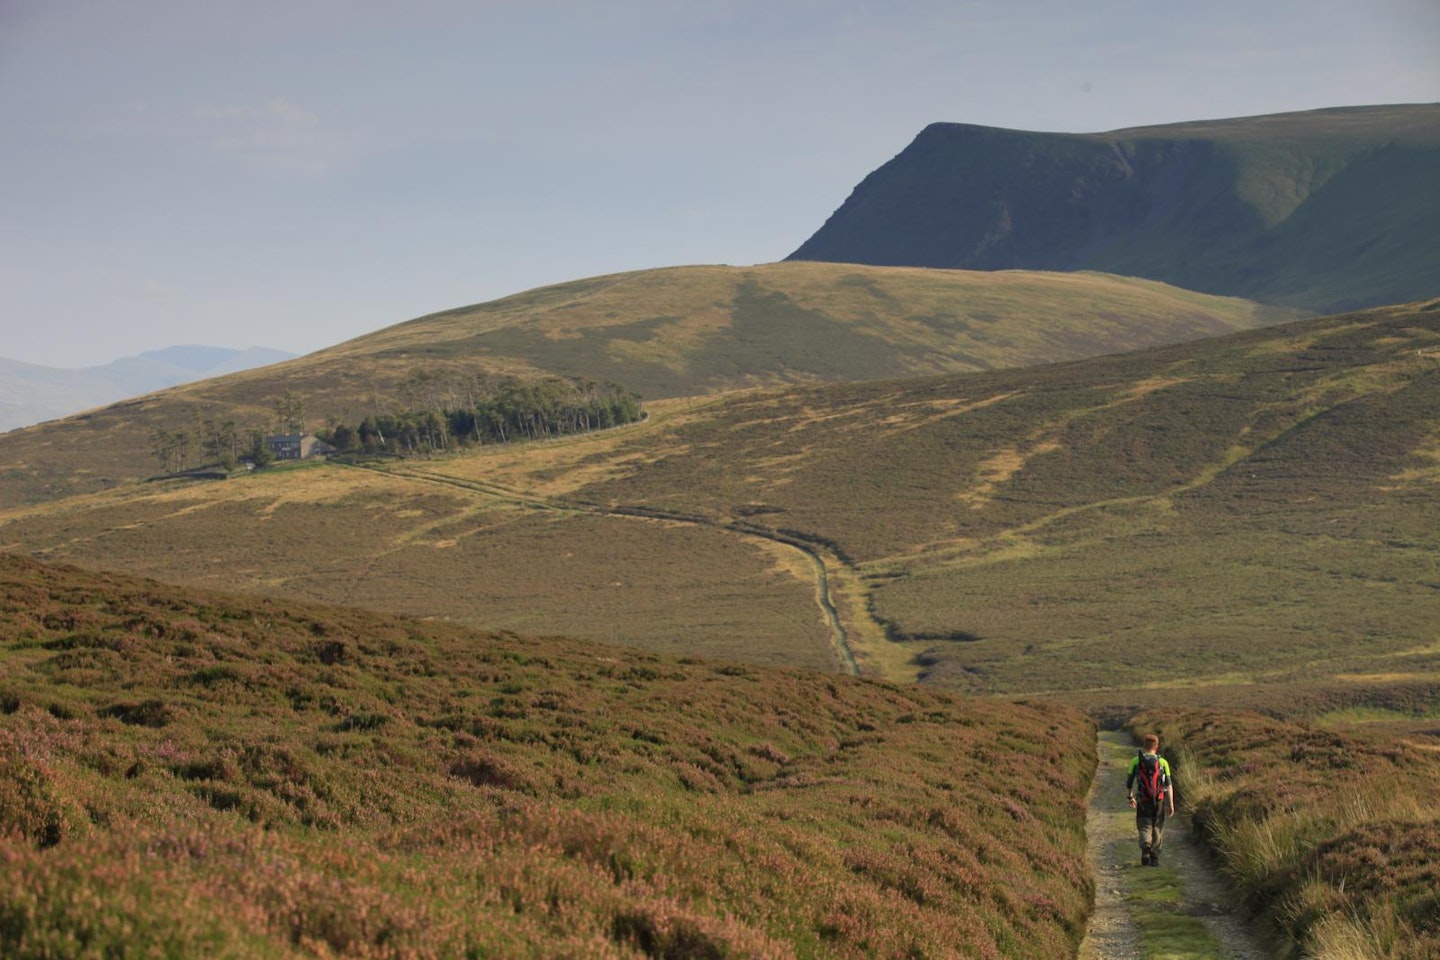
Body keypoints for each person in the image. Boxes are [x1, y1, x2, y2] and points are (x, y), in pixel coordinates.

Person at [1126, 733, 1175, 866]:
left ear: (1144, 746)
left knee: (1144, 825)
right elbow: (1168, 785)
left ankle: (1146, 847)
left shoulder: (1136, 761)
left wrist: (1130, 797)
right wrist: (1170, 803)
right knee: (1157, 827)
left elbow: (1129, 782)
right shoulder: (1163, 762)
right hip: (1158, 800)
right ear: (1157, 747)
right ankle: (1154, 857)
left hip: (1143, 799)